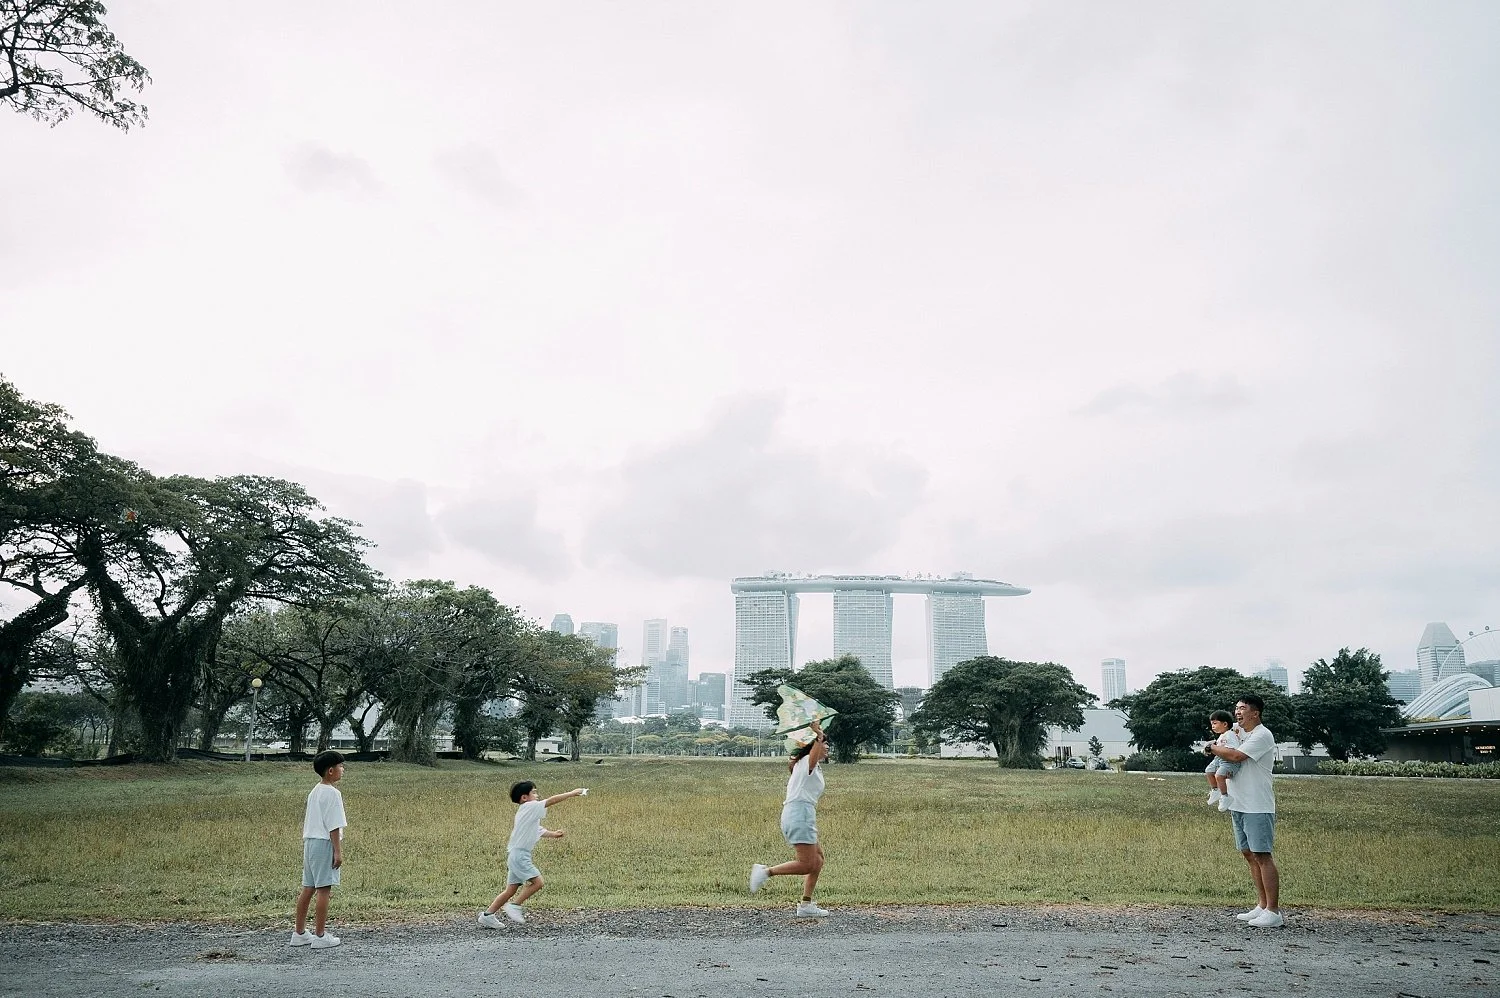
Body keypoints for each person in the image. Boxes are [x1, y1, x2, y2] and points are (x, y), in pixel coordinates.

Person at [1205, 694, 1283, 928]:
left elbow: (1236, 756)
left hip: (1257, 804)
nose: (1237, 712)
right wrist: (1215, 746)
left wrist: (1212, 748)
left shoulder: (1262, 735)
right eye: (1236, 708)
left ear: (1255, 713)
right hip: (1238, 802)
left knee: (1262, 855)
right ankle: (1261, 905)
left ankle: (1273, 911)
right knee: (1249, 855)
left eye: (1242, 709)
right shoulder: (1237, 731)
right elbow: (1222, 736)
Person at [478, 781, 588, 927]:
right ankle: (515, 905)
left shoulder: (527, 812)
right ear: (524, 797)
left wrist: (553, 834)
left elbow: (538, 830)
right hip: (520, 856)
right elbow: (551, 800)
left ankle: (488, 915)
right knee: (538, 882)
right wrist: (572, 793)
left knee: (510, 889)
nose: (537, 795)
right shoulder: (529, 806)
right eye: (534, 792)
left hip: (516, 855)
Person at [749, 719, 829, 917]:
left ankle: (806, 905)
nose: (827, 747)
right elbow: (814, 748)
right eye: (824, 744)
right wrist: (818, 733)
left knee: (818, 860)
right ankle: (765, 872)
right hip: (799, 814)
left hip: (802, 814)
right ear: (813, 746)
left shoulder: (808, 766)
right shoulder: (805, 764)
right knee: (807, 864)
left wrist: (817, 734)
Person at [291, 750, 348, 950]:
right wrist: (338, 851)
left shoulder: (315, 791)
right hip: (324, 843)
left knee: (308, 887)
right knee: (324, 889)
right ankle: (320, 935)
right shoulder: (333, 793)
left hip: (310, 842)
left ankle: (299, 933)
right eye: (341, 766)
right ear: (330, 771)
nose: (343, 770)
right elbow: (333, 825)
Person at [1203, 710, 1243, 811]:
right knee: (1208, 771)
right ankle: (1215, 790)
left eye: (1215, 723)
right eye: (1212, 724)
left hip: (1228, 761)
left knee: (1219, 776)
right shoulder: (1222, 736)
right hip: (1219, 759)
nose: (1212, 726)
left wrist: (1214, 748)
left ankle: (1225, 797)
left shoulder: (1230, 735)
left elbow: (1232, 751)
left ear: (1225, 724)